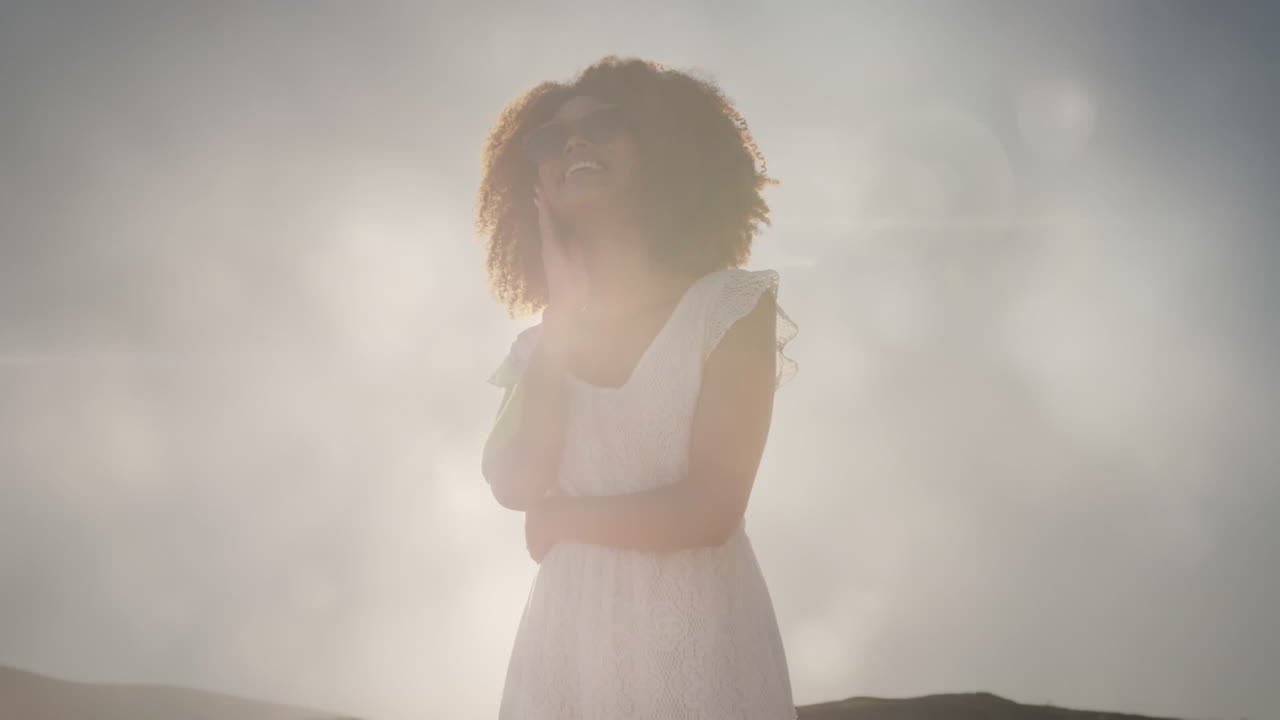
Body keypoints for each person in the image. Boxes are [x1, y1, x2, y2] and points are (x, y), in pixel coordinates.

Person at [477, 55, 799, 719]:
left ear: (661, 150)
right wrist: (562, 322)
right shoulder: (539, 349)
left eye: (603, 124)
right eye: (551, 139)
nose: (574, 143)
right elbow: (516, 485)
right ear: (533, 183)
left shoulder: (730, 306)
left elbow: (711, 509)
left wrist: (567, 520)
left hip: (700, 642)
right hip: (565, 652)